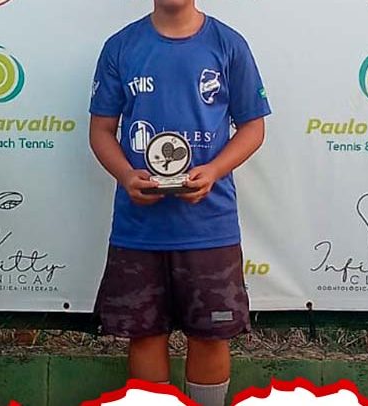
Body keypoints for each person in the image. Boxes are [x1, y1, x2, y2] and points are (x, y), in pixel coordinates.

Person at [88, 1, 271, 405]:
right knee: (144, 335)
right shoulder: (121, 46)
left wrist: (214, 171)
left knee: (210, 337)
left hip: (209, 228)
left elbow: (253, 127)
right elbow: (101, 130)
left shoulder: (228, 44)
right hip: (139, 230)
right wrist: (126, 175)